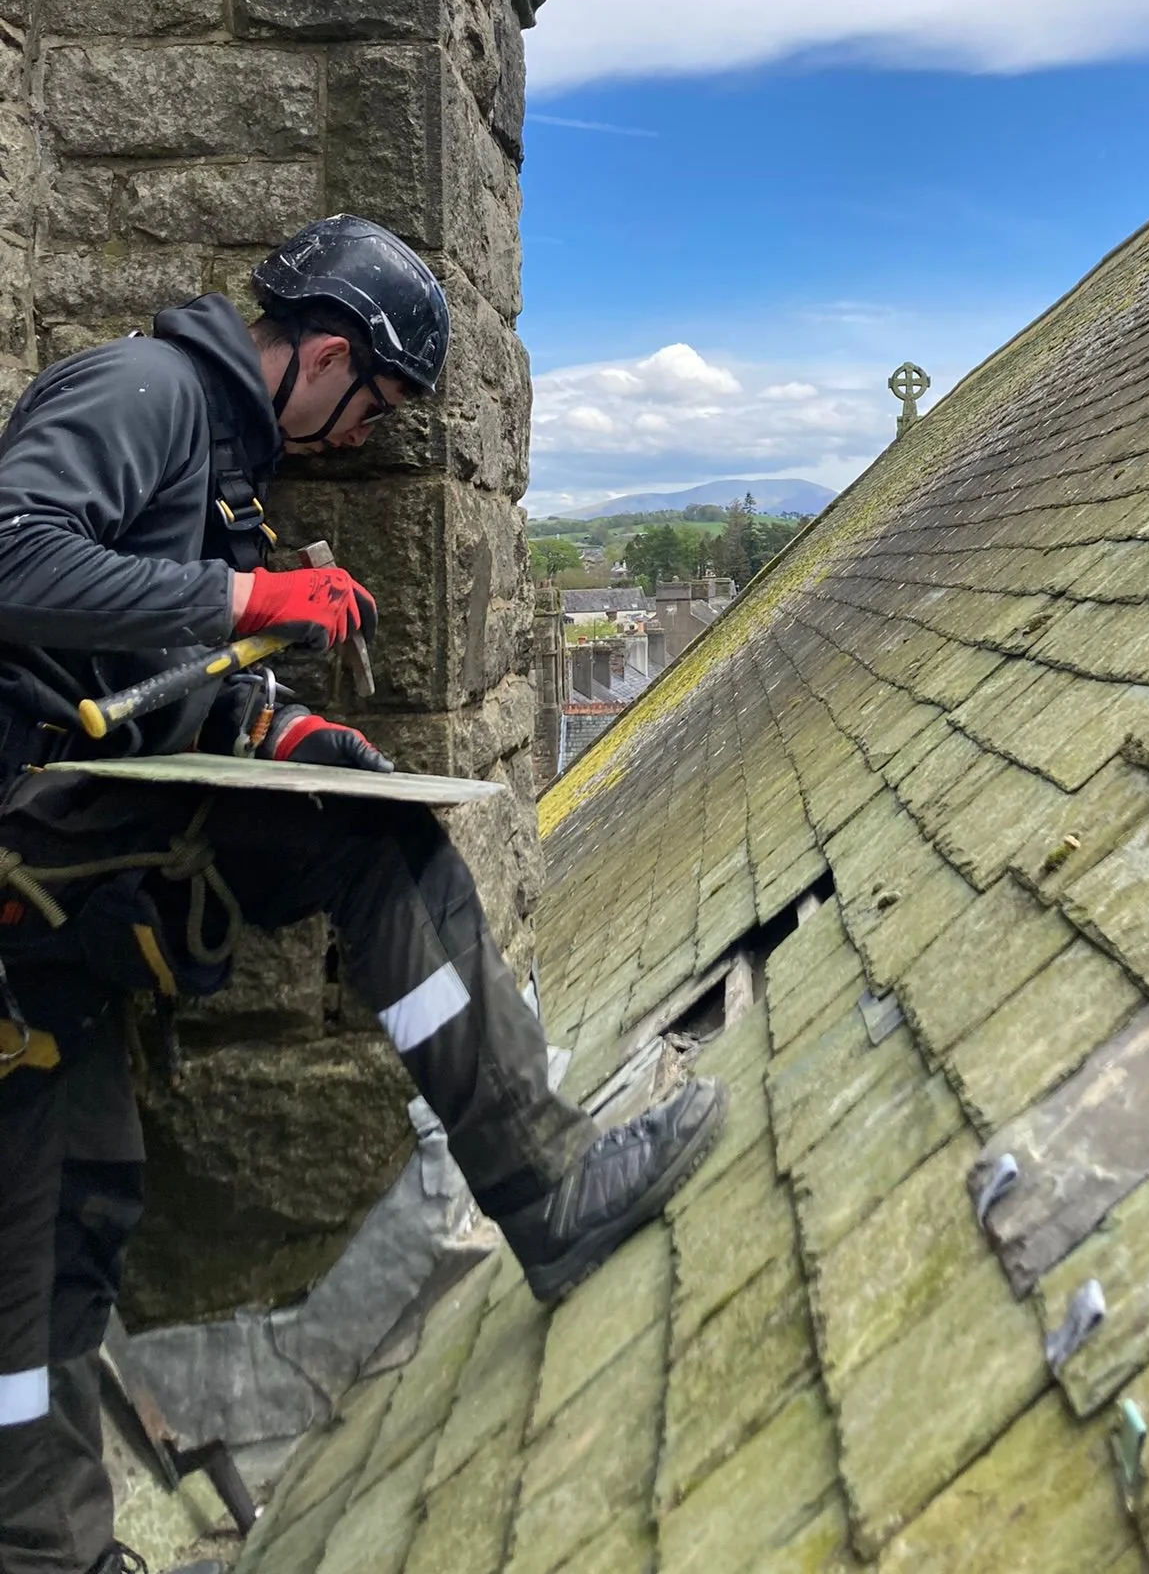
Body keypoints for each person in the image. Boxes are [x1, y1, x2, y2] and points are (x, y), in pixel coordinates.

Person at [0, 216, 725, 1574]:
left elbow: (146, 653)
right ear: (326, 352)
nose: (357, 436)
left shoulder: (218, 464)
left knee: (81, 1219)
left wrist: (270, 716)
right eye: (372, 403)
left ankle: (542, 1182)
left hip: (69, 887)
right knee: (24, 1279)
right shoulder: (140, 393)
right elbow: (10, 563)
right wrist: (247, 594)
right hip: (25, 879)